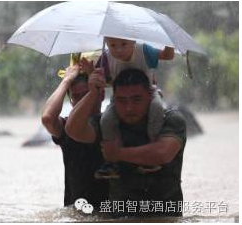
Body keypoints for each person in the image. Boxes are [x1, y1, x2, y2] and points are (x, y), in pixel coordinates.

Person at [65, 68, 186, 217]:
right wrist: (92, 93)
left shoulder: (170, 119)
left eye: (136, 99)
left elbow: (162, 153)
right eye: (121, 100)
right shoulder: (108, 125)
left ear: (150, 96)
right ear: (113, 100)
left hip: (165, 216)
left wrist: (118, 154)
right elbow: (73, 130)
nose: (129, 108)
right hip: (121, 216)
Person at [81, 37, 174, 178]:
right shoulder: (105, 58)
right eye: (113, 45)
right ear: (106, 43)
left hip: (148, 93)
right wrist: (91, 74)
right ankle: (111, 162)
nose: (118, 49)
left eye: (124, 44)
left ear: (133, 41)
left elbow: (168, 56)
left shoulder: (144, 50)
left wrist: (168, 40)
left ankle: (152, 145)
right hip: (119, 99)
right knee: (106, 120)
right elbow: (103, 82)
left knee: (157, 108)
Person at [41, 65, 108, 209]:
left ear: (101, 95)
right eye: (75, 97)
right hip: (76, 211)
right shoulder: (66, 127)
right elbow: (47, 119)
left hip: (109, 212)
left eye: (86, 94)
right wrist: (66, 81)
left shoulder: (110, 124)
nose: (80, 101)